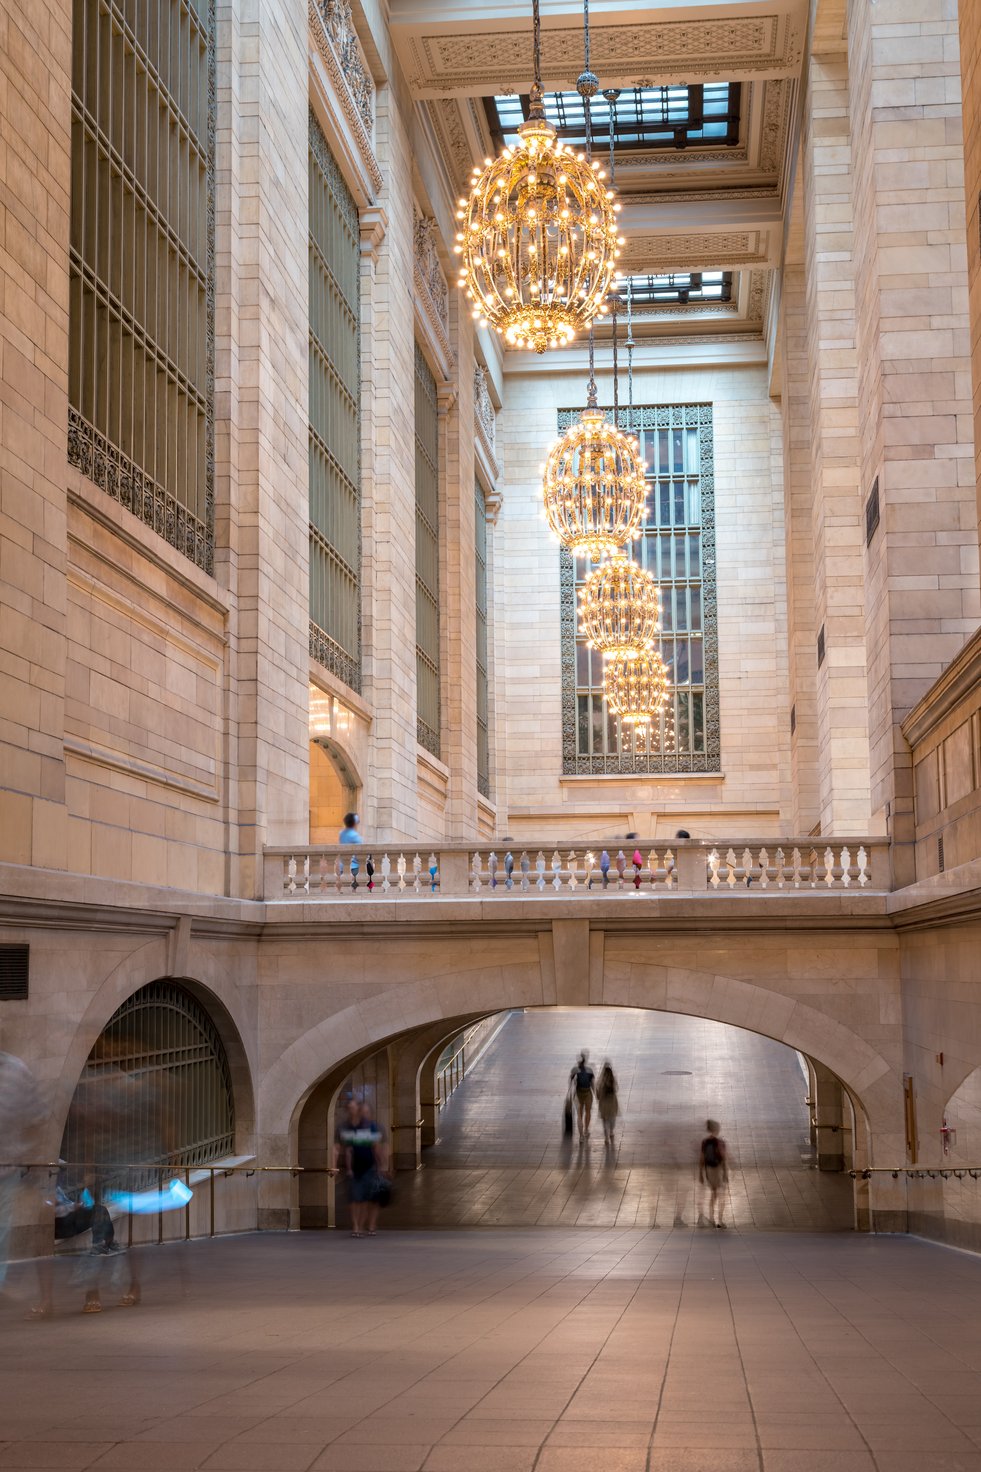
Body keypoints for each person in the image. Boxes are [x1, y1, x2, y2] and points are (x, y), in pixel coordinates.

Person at [0, 1051, 44, 1304]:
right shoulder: (18, 1070)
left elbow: (36, 1118)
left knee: (2, 1229)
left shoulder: (18, 1071)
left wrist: (29, 1154)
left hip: (7, 1169)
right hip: (9, 1167)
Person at [332, 1098, 388, 1237]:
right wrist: (341, 1167)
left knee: (364, 1199)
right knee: (355, 1198)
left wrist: (382, 1165)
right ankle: (357, 1226)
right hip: (355, 1168)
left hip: (369, 1167)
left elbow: (377, 1147)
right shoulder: (347, 1127)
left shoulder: (371, 1126)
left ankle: (362, 1226)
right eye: (350, 1109)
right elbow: (345, 1149)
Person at [698, 1119, 729, 1228]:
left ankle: (711, 1218)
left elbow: (702, 1159)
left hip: (709, 1170)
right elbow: (724, 1158)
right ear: (716, 1129)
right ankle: (720, 1220)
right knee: (722, 1195)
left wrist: (701, 1174)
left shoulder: (705, 1142)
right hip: (718, 1170)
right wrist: (725, 1173)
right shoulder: (720, 1142)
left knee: (713, 1194)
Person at [569, 1053, 595, 1140]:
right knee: (588, 1112)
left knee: (579, 1115)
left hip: (578, 1093)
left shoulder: (574, 1070)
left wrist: (570, 1093)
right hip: (587, 1093)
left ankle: (581, 1136)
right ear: (585, 1060)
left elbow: (571, 1083)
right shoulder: (590, 1070)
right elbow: (592, 1084)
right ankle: (586, 1130)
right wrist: (595, 1093)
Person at [596, 1062, 619, 1146]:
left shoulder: (600, 1082)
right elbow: (617, 1089)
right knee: (612, 1119)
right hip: (612, 1103)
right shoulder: (613, 1080)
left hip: (603, 1104)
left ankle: (606, 1138)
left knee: (605, 1121)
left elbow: (597, 1094)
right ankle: (611, 1132)